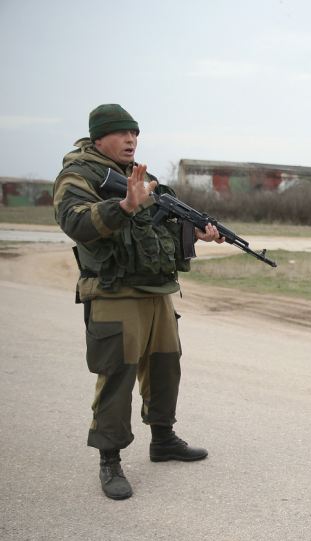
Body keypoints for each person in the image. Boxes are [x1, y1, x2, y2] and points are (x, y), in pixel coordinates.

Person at [53, 104, 221, 500]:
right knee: (118, 374)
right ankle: (109, 460)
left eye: (135, 134)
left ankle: (163, 439)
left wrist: (196, 233)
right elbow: (74, 221)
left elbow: (157, 231)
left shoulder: (142, 177)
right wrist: (125, 205)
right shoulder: (78, 175)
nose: (131, 140)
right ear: (99, 138)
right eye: (122, 133)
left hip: (156, 291)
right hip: (114, 291)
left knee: (165, 366)